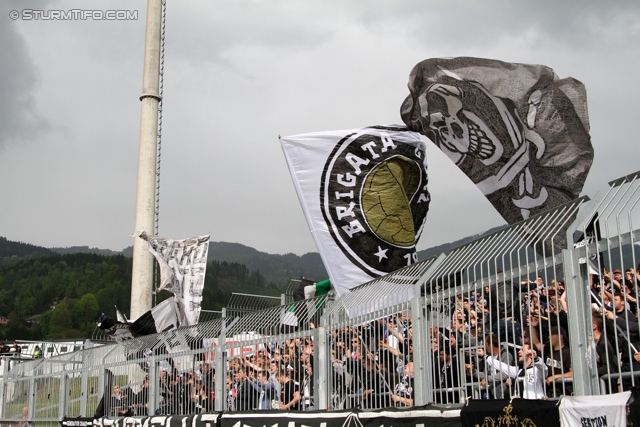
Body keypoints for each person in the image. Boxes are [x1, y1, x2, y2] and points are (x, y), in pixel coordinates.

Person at [543, 327, 572, 397]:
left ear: (560, 336)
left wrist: (556, 377)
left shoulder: (566, 353)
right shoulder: (548, 349)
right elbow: (537, 344)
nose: (549, 337)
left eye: (551, 335)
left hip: (562, 391)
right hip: (549, 390)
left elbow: (573, 373)